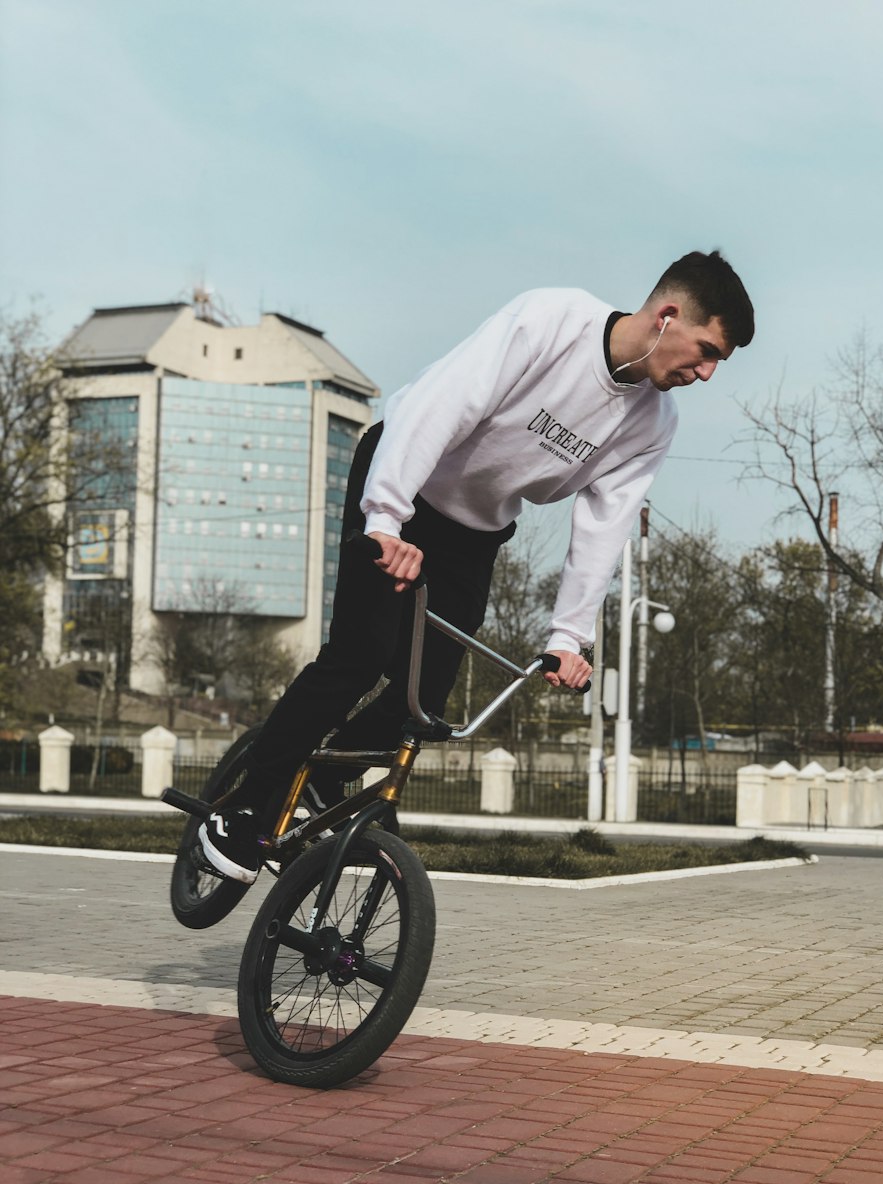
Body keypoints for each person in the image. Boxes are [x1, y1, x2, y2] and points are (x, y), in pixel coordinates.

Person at [199, 249, 754, 884]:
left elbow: (605, 526)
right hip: (404, 480)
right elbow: (441, 405)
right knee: (361, 654)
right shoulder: (553, 320)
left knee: (422, 707)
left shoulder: (652, 423)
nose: (706, 373)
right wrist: (385, 520)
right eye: (707, 350)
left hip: (474, 533)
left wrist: (566, 639)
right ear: (668, 315)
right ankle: (245, 806)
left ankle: (327, 772)